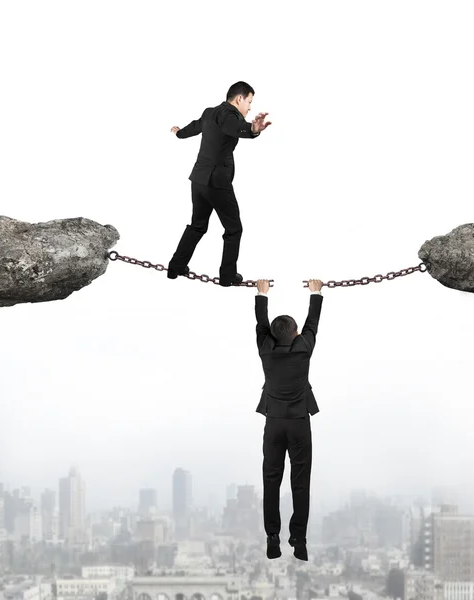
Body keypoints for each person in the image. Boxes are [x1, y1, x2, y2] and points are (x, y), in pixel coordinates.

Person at [167, 81, 271, 286]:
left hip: (198, 180)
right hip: (217, 183)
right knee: (234, 229)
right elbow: (234, 127)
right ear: (239, 98)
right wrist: (252, 129)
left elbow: (194, 127)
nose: (250, 107)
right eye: (249, 101)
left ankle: (175, 267)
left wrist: (178, 133)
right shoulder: (229, 116)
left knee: (197, 225)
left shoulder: (209, 112)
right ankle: (227, 276)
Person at [254, 278, 324, 561]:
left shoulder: (265, 349)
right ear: (295, 334)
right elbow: (313, 323)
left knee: (271, 480)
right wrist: (316, 292)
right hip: (298, 423)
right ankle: (299, 540)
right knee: (300, 481)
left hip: (273, 423)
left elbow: (261, 323)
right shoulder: (303, 348)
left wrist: (262, 294)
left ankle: (273, 537)